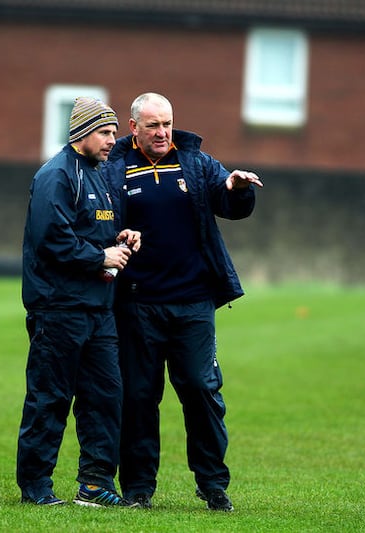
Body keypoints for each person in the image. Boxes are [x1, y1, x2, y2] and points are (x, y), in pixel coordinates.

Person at [104, 92, 263, 512]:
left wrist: (237, 189)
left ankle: (212, 484)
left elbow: (228, 202)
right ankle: (138, 488)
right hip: (138, 304)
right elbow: (99, 225)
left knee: (200, 388)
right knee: (138, 395)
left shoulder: (196, 163)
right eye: (153, 125)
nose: (162, 132)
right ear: (134, 127)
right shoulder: (114, 170)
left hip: (193, 303)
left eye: (167, 123)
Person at [16, 97, 141, 507]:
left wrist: (120, 239)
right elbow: (52, 241)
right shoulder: (56, 176)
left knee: (106, 397)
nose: (112, 140)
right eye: (105, 133)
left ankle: (95, 484)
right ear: (83, 133)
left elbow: (92, 229)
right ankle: (35, 487)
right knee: (49, 398)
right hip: (58, 309)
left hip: (98, 310)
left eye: (112, 132)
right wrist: (100, 257)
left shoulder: (99, 174)